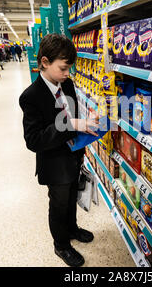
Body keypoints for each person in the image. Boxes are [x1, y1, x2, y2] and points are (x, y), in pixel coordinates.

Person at [19, 34, 99, 267]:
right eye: (63, 68)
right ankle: (61, 245)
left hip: (74, 154)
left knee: (72, 195)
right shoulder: (31, 97)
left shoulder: (68, 84)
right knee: (59, 203)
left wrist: (85, 122)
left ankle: (72, 229)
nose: (67, 74)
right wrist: (71, 125)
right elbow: (33, 140)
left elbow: (71, 115)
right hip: (54, 163)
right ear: (45, 62)